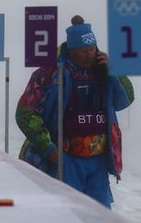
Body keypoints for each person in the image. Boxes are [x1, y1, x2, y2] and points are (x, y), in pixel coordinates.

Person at [16, 15, 134, 208]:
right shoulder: (49, 74)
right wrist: (47, 148)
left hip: (99, 160)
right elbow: (24, 112)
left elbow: (126, 100)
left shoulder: (102, 71)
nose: (89, 55)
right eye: (83, 51)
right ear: (71, 50)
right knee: (67, 211)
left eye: (92, 49)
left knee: (99, 213)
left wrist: (114, 71)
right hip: (65, 158)